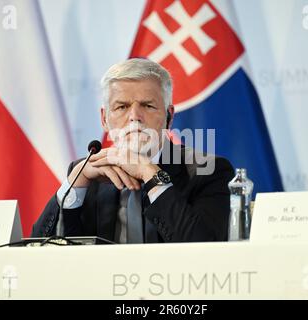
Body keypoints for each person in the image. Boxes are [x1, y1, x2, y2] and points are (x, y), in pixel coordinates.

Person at [32, 58, 235, 243]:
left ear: (169, 117)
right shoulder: (86, 173)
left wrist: (150, 174)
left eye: (147, 105)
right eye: (122, 107)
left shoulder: (208, 170)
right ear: (104, 119)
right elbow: (37, 251)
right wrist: (73, 185)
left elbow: (205, 248)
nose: (135, 116)